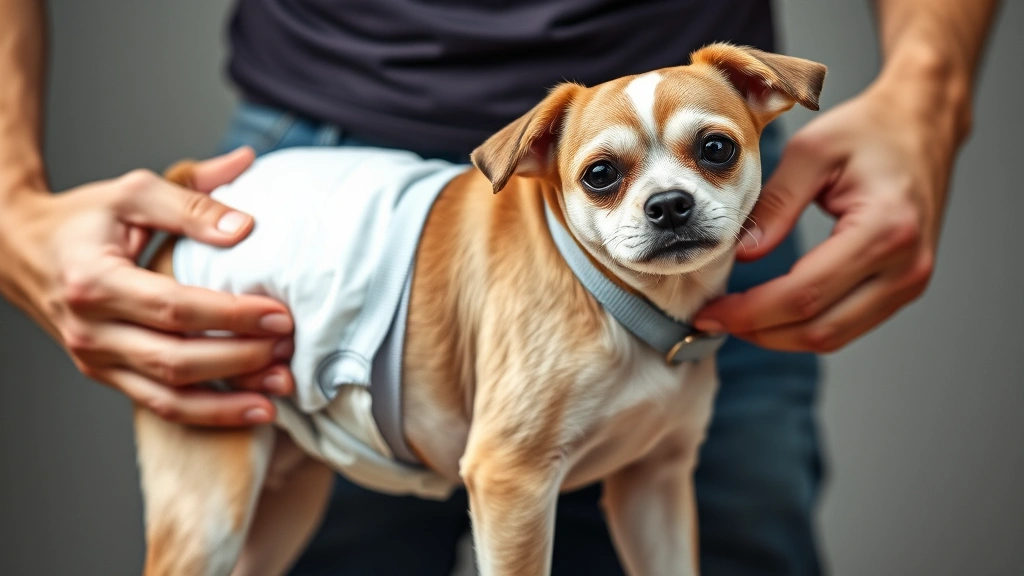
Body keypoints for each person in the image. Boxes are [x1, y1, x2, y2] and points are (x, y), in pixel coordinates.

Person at [0, 1, 998, 574]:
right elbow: (510, 470)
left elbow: (650, 473)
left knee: (674, 474)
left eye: (709, 155)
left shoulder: (683, 313)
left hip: (686, 298)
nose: (664, 199)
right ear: (544, 169)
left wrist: (928, 94)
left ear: (763, 101)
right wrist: (8, 193)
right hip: (281, 229)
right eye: (609, 177)